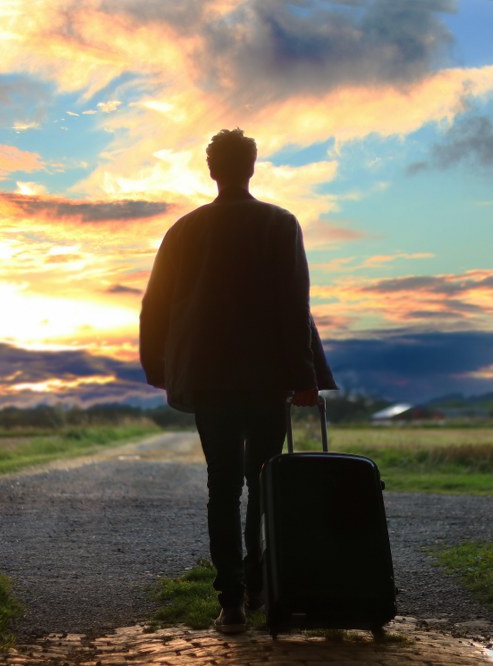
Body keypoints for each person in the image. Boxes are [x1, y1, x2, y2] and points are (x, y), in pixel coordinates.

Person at [139, 128, 336, 634]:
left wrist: (158, 366)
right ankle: (256, 587)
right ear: (252, 167)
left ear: (212, 170)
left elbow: (155, 304)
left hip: (208, 378)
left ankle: (230, 605)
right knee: (264, 483)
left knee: (221, 487)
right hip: (266, 378)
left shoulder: (184, 230)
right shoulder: (279, 223)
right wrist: (304, 378)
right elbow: (295, 307)